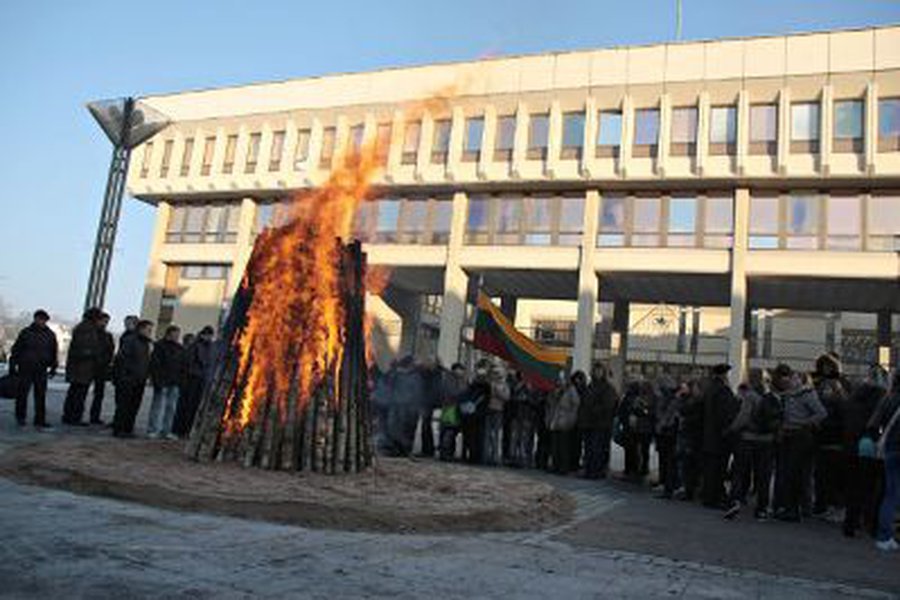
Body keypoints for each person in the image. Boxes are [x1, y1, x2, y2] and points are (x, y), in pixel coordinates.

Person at [772, 363, 827, 522]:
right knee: (789, 474)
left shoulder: (805, 394)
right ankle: (790, 508)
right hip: (790, 435)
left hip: (801, 436)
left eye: (784, 381)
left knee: (795, 474)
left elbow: (822, 413)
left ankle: (794, 510)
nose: (783, 384)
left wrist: (805, 423)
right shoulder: (788, 394)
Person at [723, 369, 781, 520]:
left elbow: (743, 417)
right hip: (767, 441)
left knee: (740, 471)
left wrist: (731, 429)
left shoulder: (750, 396)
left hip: (748, 439)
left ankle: (735, 501)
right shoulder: (774, 397)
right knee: (763, 476)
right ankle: (761, 508)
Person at [841, 365, 888, 537]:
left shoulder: (854, 397)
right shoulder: (881, 398)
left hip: (851, 445)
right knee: (872, 488)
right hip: (871, 446)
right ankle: (870, 524)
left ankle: (850, 523)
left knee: (853, 486)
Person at [811, 353, 851, 519]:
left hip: (837, 435)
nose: (826, 369)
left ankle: (836, 505)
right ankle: (821, 505)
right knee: (821, 474)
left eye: (829, 366)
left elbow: (847, 407)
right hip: (820, 434)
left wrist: (838, 392)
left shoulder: (842, 383)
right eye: (823, 366)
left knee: (835, 474)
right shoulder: (817, 384)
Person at [867, 371, 900, 552]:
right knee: (893, 495)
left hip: (890, 448)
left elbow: (873, 423)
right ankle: (885, 535)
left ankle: (885, 535)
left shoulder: (888, 398)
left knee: (890, 493)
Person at [9, 310, 58, 429]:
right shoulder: (26, 333)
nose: (41, 322)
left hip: (41, 368)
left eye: (44, 320)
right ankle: (21, 417)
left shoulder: (50, 335)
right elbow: (16, 350)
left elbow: (53, 352)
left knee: (40, 395)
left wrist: (53, 367)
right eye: (39, 319)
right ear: (35, 319)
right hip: (25, 367)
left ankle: (40, 419)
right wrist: (12, 365)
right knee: (22, 394)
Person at [700, 364, 739, 509]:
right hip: (720, 437)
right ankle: (714, 497)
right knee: (718, 470)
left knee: (710, 469)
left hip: (709, 436)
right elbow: (726, 414)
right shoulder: (723, 391)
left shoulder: (709, 390)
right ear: (723, 375)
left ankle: (708, 496)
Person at [112, 320, 154, 437]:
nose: (150, 332)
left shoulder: (146, 343)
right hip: (128, 378)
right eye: (148, 330)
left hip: (140, 379)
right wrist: (127, 374)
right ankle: (119, 429)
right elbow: (122, 359)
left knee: (134, 406)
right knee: (124, 405)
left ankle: (128, 429)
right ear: (141, 329)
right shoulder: (131, 340)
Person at [172, 325, 216, 437]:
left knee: (195, 406)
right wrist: (193, 374)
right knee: (186, 405)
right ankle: (180, 430)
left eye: (211, 336)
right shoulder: (195, 346)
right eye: (208, 335)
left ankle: (188, 430)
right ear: (202, 334)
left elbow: (210, 363)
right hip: (192, 380)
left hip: (201, 380)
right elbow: (189, 363)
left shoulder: (210, 347)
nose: (210, 338)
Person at [62, 308, 103, 426]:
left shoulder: (85, 328)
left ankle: (71, 416)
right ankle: (73, 417)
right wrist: (94, 354)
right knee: (78, 394)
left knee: (75, 393)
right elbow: (82, 349)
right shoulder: (87, 330)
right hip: (82, 367)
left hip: (81, 367)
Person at [578, 363, 619, 479]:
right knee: (588, 448)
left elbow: (609, 406)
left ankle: (597, 471)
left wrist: (594, 410)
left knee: (598, 449)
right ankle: (589, 469)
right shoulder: (590, 386)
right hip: (589, 423)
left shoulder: (608, 388)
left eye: (600, 371)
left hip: (601, 424)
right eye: (595, 371)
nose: (597, 373)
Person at [147, 325, 186, 439]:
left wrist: (180, 380)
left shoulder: (180, 348)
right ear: (169, 334)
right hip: (162, 381)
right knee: (158, 406)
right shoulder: (159, 346)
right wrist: (157, 380)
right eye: (176, 334)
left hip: (175, 382)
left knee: (171, 408)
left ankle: (166, 430)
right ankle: (153, 430)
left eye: (178, 334)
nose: (177, 336)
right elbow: (155, 364)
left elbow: (183, 365)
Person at [549, 371, 583, 475]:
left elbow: (576, 405)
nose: (560, 381)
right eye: (559, 379)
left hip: (566, 420)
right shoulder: (556, 390)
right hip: (556, 421)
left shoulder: (571, 390)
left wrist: (571, 420)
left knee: (564, 447)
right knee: (555, 446)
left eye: (562, 379)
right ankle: (555, 466)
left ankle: (563, 468)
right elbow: (552, 404)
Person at [653, 376, 682, 497]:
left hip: (667, 433)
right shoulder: (673, 397)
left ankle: (668, 485)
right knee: (668, 460)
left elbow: (667, 415)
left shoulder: (669, 398)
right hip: (668, 432)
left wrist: (661, 424)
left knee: (668, 460)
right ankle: (669, 484)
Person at [460, 360, 491, 464]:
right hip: (475, 414)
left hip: (476, 414)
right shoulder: (480, 385)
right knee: (473, 437)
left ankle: (474, 457)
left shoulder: (483, 386)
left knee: (474, 437)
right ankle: (473, 457)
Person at [89, 312, 115, 425]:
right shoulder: (90, 333)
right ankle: (75, 414)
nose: (104, 324)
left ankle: (94, 416)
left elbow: (110, 350)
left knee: (99, 394)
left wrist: (107, 362)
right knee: (81, 391)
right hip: (90, 366)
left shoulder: (107, 336)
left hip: (102, 367)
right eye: (103, 321)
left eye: (106, 322)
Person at [438, 363, 467, 461]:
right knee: (448, 430)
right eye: (460, 369)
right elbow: (451, 392)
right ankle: (445, 453)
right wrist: (462, 394)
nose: (462, 372)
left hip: (457, 408)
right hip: (449, 407)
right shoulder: (449, 379)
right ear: (455, 369)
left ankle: (450, 452)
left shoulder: (462, 380)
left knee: (453, 431)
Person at [482, 363, 510, 466]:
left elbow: (507, 397)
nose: (496, 375)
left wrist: (497, 390)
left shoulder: (504, 385)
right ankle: (486, 456)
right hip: (488, 410)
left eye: (498, 373)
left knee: (496, 435)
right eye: (494, 373)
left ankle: (494, 457)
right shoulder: (488, 383)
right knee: (487, 434)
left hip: (498, 410)